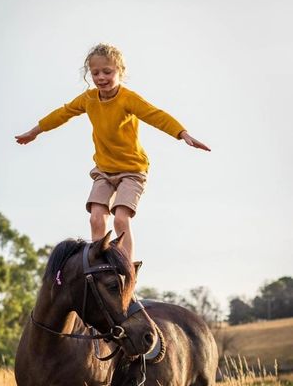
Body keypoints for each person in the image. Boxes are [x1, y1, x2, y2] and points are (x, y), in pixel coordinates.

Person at [15, 43, 210, 262]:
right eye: (95, 73)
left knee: (120, 220)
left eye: (107, 72)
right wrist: (35, 132)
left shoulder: (128, 99)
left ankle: (127, 271)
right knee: (96, 219)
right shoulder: (88, 99)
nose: (101, 77)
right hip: (104, 170)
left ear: (120, 71)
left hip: (132, 171)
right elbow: (63, 113)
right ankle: (101, 266)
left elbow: (156, 115)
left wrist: (182, 133)